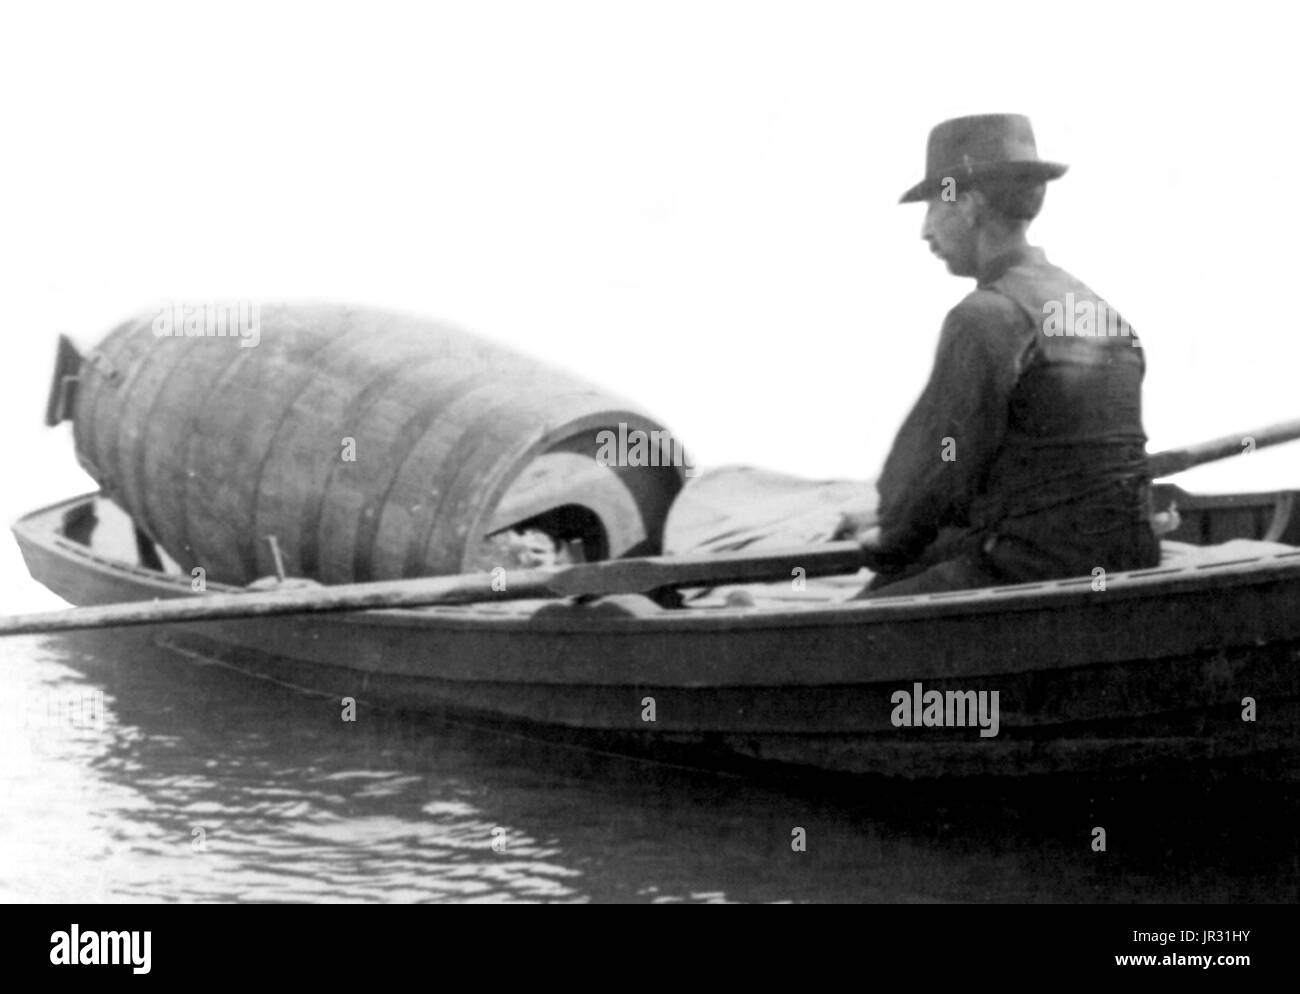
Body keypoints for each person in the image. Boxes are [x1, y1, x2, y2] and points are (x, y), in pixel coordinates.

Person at [837, 114, 1160, 596]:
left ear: (967, 205)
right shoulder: (1099, 310)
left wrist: (884, 542)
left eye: (932, 208)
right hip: (1127, 563)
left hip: (1037, 576)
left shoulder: (985, 317)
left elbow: (941, 465)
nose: (926, 232)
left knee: (853, 625)